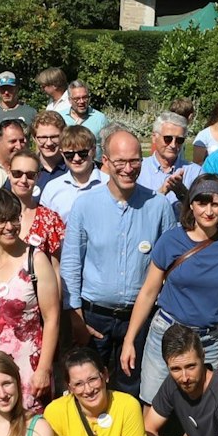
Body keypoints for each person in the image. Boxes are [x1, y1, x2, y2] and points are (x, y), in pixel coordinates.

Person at [60, 129, 178, 393]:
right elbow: (71, 263)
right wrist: (76, 318)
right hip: (94, 318)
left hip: (139, 318)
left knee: (131, 391)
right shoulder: (85, 205)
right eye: (120, 161)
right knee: (89, 391)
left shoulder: (158, 206)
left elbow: (171, 265)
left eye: (134, 161)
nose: (128, 168)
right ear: (105, 161)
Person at [117, 175, 218, 405]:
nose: (208, 211)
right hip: (166, 333)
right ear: (191, 205)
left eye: (215, 204)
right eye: (201, 203)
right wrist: (129, 340)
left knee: (203, 409)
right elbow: (148, 292)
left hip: (209, 341)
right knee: (153, 404)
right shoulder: (171, 241)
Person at [0, 188, 61, 410]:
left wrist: (44, 368)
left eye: (14, 219)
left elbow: (52, 318)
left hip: (26, 363)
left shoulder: (36, 260)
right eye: (1, 221)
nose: (9, 227)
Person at [37, 124, 104, 217]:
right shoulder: (52, 188)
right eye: (69, 155)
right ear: (62, 154)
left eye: (82, 153)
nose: (76, 158)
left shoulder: (109, 184)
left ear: (93, 151)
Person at [0, 71, 37, 141]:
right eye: (3, 89)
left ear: (17, 89)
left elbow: (38, 138)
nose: (6, 92)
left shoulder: (30, 112)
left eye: (10, 88)